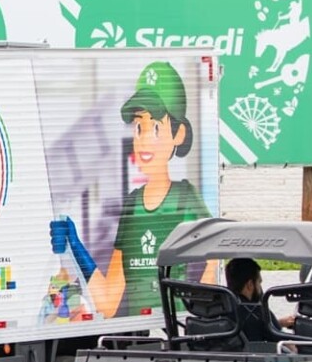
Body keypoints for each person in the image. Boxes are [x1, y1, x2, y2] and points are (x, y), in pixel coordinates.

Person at [51, 61, 214, 319]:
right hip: (145, 326)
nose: (144, 140)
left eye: (156, 128)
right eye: (139, 128)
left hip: (178, 328)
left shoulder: (185, 198)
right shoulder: (132, 205)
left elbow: (213, 253)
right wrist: (76, 244)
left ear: (179, 133)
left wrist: (205, 310)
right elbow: (107, 303)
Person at [224, 258, 295, 342]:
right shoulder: (257, 311)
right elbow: (286, 344)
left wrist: (279, 323)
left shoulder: (220, 308)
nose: (260, 287)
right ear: (250, 284)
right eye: (259, 282)